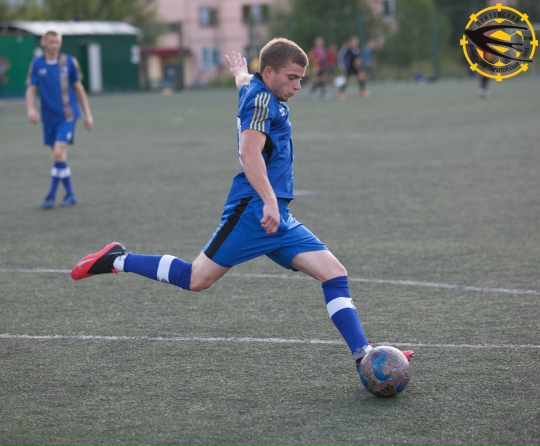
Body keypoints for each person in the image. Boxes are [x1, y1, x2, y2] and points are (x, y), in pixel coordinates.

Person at [71, 38, 412, 382]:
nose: (298, 85)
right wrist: (268, 200)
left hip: (278, 216)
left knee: (334, 274)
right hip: (254, 211)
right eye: (292, 77)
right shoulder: (262, 100)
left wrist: (239, 72)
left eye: (301, 78)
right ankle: (117, 259)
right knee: (196, 279)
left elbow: (245, 82)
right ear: (270, 72)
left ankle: (363, 355)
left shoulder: (258, 89)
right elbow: (249, 154)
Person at [26, 29, 94, 208]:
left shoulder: (69, 62)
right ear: (43, 43)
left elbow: (78, 88)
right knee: (59, 158)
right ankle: (70, 194)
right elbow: (31, 89)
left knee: (57, 153)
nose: (54, 45)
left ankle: (50, 195)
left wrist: (87, 114)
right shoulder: (36, 64)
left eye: (57, 42)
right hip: (49, 118)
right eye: (51, 42)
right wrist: (31, 109)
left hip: (68, 116)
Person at [338, 35, 369, 100]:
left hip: (355, 67)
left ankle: (362, 91)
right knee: (347, 80)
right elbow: (341, 57)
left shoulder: (356, 49)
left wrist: (359, 61)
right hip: (349, 67)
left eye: (356, 41)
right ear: (350, 42)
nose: (355, 43)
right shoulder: (347, 49)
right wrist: (342, 65)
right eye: (354, 41)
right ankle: (341, 92)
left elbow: (357, 58)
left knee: (361, 77)